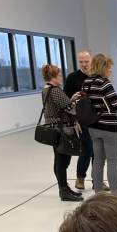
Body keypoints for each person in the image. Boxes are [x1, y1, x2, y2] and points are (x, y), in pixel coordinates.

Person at [82, 54, 117, 193]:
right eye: (109, 67)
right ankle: (116, 194)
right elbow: (116, 106)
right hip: (109, 127)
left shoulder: (86, 82)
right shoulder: (105, 83)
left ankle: (98, 193)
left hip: (93, 126)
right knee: (112, 161)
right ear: (103, 67)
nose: (110, 70)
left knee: (98, 160)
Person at [40, 64, 82, 202]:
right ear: (53, 77)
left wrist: (71, 100)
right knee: (63, 160)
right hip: (62, 129)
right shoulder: (56, 90)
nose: (61, 78)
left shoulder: (46, 90)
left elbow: (62, 106)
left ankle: (64, 188)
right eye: (59, 75)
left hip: (54, 129)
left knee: (59, 159)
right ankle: (63, 190)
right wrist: (76, 101)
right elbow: (70, 108)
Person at [64, 50, 93, 190]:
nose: (84, 64)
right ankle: (80, 178)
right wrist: (73, 119)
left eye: (86, 61)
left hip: (96, 118)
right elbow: (66, 101)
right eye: (81, 62)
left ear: (91, 60)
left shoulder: (96, 76)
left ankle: (98, 179)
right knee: (86, 148)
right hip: (81, 119)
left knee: (98, 151)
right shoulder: (72, 78)